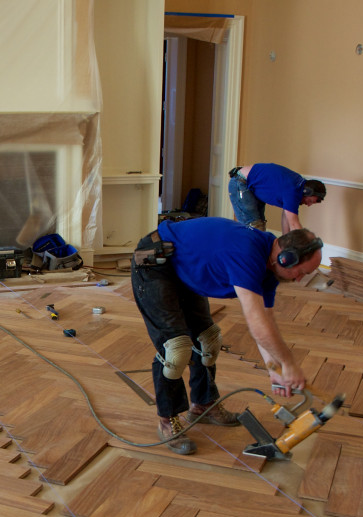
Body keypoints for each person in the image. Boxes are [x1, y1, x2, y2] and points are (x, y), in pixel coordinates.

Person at [130, 217, 324, 455]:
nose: (299, 279)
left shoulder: (270, 268)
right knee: (176, 349)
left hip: (183, 268)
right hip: (155, 263)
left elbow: (265, 320)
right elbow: (256, 324)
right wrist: (290, 364)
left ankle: (203, 405)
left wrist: (275, 369)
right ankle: (167, 419)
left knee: (208, 340)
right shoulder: (247, 253)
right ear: (286, 258)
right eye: (301, 272)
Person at [228, 163, 326, 235]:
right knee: (254, 229)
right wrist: (306, 247)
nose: (308, 204)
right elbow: (294, 224)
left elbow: (287, 217)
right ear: (307, 191)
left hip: (250, 185)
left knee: (259, 229)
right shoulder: (293, 190)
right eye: (310, 201)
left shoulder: (298, 186)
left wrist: (285, 241)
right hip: (241, 183)